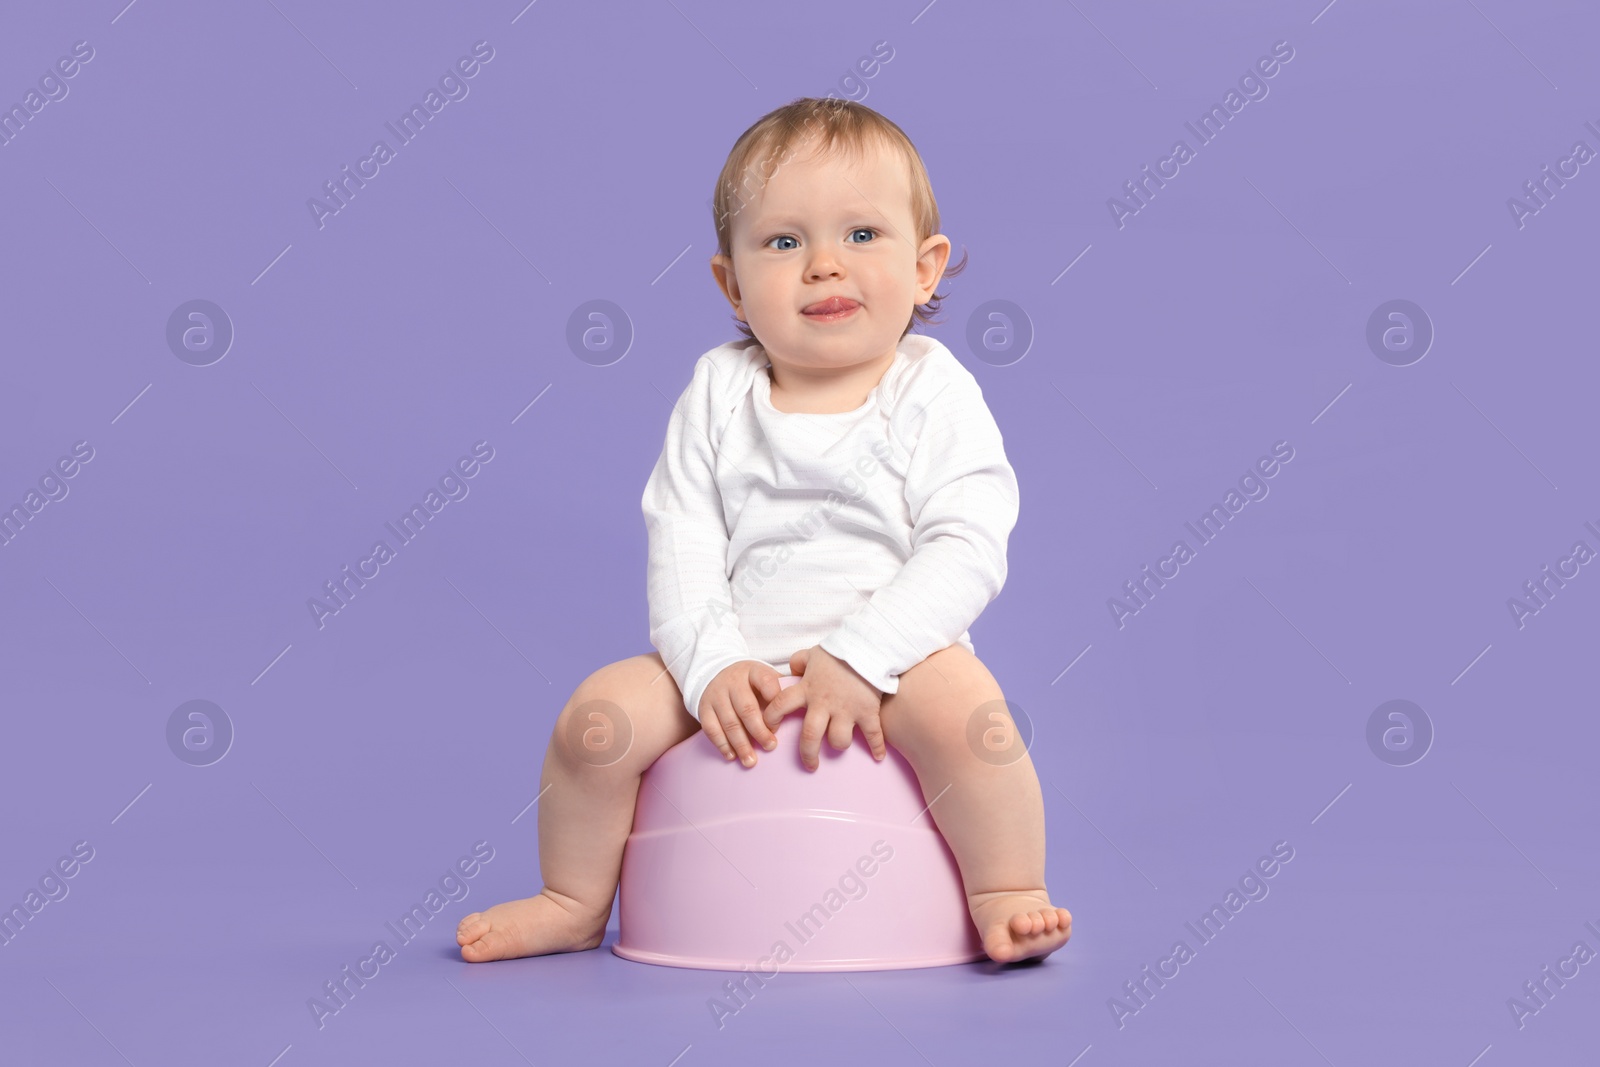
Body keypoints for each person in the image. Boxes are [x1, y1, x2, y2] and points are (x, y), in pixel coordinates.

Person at [457, 97, 1070, 965]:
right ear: (731, 283)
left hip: (897, 664)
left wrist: (864, 653)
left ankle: (1006, 889)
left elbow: (967, 544)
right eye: (784, 243)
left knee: (976, 720)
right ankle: (573, 899)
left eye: (862, 235)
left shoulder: (932, 390)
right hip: (742, 659)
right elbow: (683, 542)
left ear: (927, 267)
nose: (825, 266)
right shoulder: (717, 391)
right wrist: (710, 665)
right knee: (595, 721)